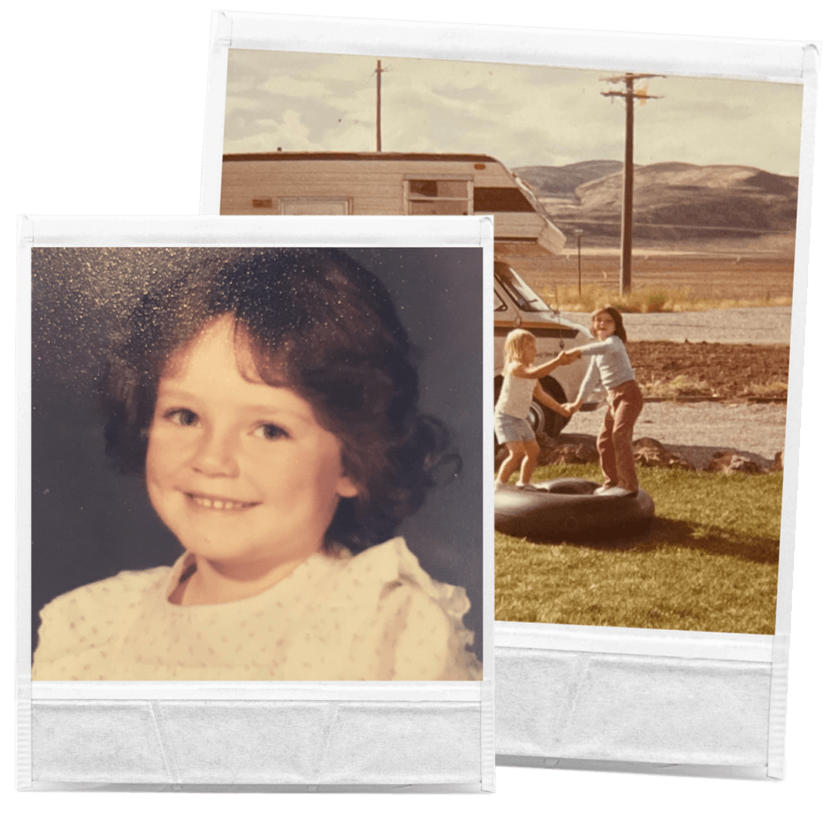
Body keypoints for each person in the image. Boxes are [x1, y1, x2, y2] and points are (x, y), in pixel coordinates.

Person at [32, 249, 481, 682]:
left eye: (269, 429)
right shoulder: (89, 625)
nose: (212, 459)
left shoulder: (388, 633)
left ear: (355, 463)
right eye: (185, 417)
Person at [562, 306, 644, 498]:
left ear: (616, 326)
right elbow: (590, 379)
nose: (602, 324)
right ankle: (612, 482)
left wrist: (576, 351)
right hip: (612, 399)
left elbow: (605, 347)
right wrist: (576, 404)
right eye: (598, 320)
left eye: (608, 321)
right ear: (592, 325)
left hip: (629, 395)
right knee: (604, 441)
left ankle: (628, 485)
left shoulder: (614, 342)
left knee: (620, 436)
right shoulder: (597, 353)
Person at [494, 329, 576, 491]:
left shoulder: (530, 370)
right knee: (516, 453)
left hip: (520, 418)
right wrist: (557, 361)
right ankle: (499, 486)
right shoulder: (515, 367)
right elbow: (535, 373)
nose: (536, 351)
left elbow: (540, 394)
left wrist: (560, 409)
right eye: (531, 347)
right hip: (506, 417)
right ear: (518, 350)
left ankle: (523, 483)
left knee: (533, 451)